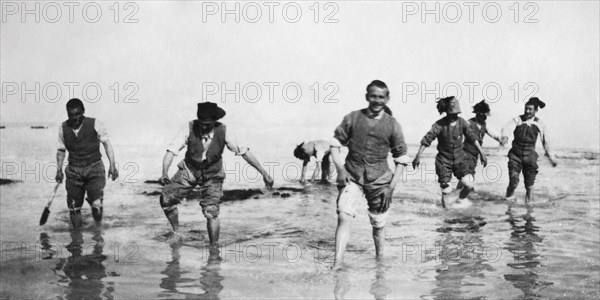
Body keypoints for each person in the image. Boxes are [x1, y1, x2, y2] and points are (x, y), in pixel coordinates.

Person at [158, 102, 274, 244]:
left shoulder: (224, 131)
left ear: (214, 121)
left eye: (208, 124)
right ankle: (177, 232)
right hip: (190, 169)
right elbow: (171, 151)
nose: (204, 127)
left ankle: (214, 248)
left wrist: (264, 173)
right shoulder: (188, 128)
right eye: (202, 123)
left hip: (213, 173)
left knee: (211, 211)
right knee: (166, 198)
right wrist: (164, 172)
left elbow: (245, 153)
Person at [330, 80, 410, 267]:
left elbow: (401, 160)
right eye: (373, 96)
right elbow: (334, 146)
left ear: (387, 99)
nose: (377, 101)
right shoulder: (353, 118)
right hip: (352, 175)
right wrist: (341, 169)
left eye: (381, 97)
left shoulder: (393, 125)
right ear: (367, 96)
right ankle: (336, 263)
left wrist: (390, 188)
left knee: (378, 224)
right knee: (344, 214)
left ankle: (379, 261)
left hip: (380, 181)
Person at [412, 96, 487, 209]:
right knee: (446, 190)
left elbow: (472, 137)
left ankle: (460, 200)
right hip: (443, 161)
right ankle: (446, 215)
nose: (454, 116)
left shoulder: (462, 122)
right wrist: (417, 156)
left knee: (468, 183)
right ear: (446, 112)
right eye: (452, 114)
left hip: (460, 159)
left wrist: (482, 153)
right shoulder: (439, 125)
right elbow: (427, 139)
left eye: (456, 114)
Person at [55, 98, 118, 228]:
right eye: (71, 115)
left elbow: (107, 145)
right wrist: (59, 170)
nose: (74, 118)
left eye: (77, 114)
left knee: (96, 204)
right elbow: (61, 150)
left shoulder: (95, 124)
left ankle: (98, 235)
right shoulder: (63, 128)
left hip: (94, 168)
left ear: (83, 111)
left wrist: (113, 165)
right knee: (73, 207)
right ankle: (77, 239)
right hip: (73, 171)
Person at [501, 97, 557, 203]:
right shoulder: (517, 119)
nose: (527, 111)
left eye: (530, 109)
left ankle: (529, 209)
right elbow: (507, 128)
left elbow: (546, 142)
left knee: (529, 187)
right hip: (515, 156)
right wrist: (505, 137)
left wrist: (551, 158)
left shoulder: (540, 123)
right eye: (526, 108)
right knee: (514, 181)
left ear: (535, 110)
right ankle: (508, 201)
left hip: (530, 157)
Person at [457, 100, 505, 190]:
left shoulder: (484, 125)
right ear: (478, 114)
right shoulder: (468, 123)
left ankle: (457, 192)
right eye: (484, 116)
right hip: (465, 153)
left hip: (475, 155)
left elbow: (493, 133)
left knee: (467, 176)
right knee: (468, 176)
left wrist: (501, 138)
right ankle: (463, 194)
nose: (485, 118)